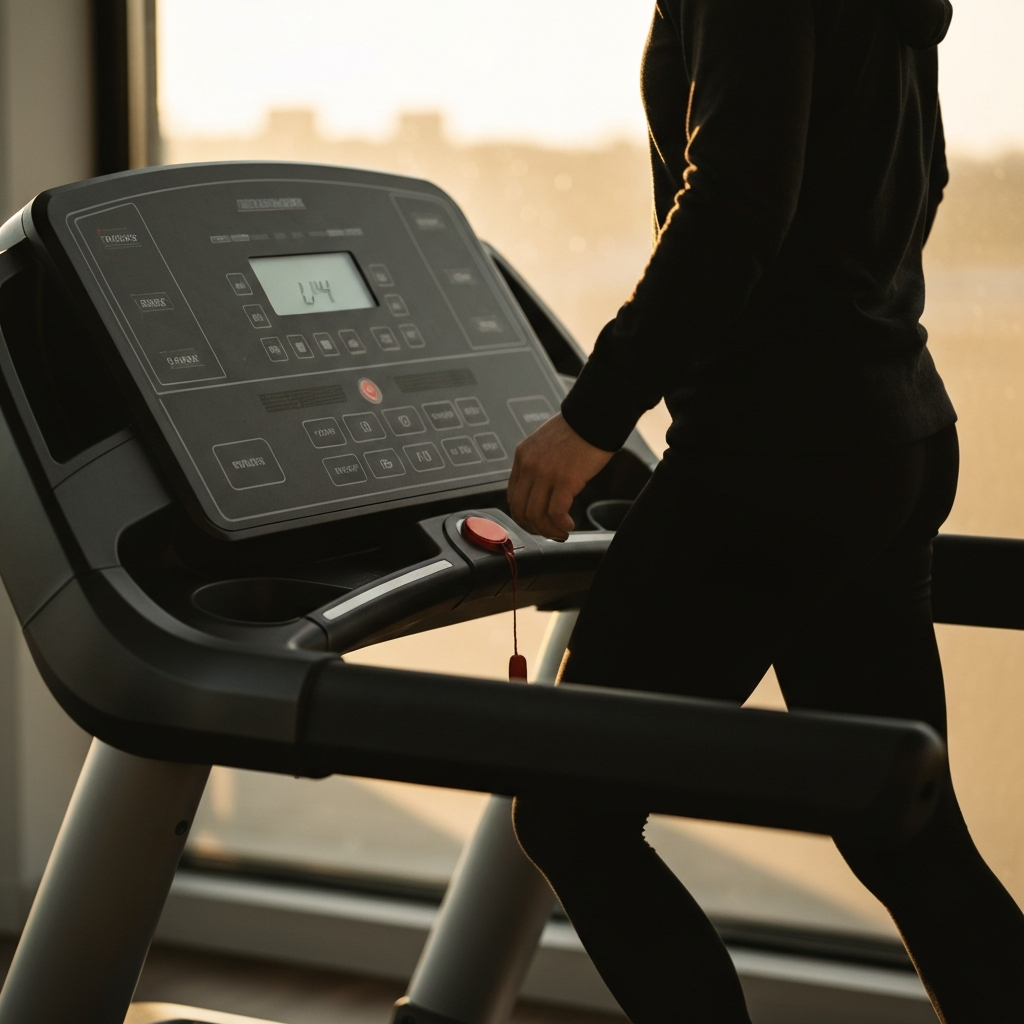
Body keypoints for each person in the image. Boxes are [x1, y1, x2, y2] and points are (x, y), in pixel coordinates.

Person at [506, 1, 1024, 1021]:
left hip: (775, 454)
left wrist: (591, 419)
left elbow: (734, 205)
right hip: (893, 433)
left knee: (572, 813)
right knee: (902, 831)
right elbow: (920, 177)